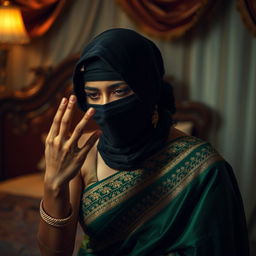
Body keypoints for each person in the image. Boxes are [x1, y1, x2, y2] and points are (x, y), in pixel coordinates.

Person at [37, 28, 249, 256]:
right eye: (94, 95)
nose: (106, 108)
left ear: (147, 89)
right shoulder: (84, 153)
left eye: (119, 91)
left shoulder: (204, 168)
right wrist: (53, 185)